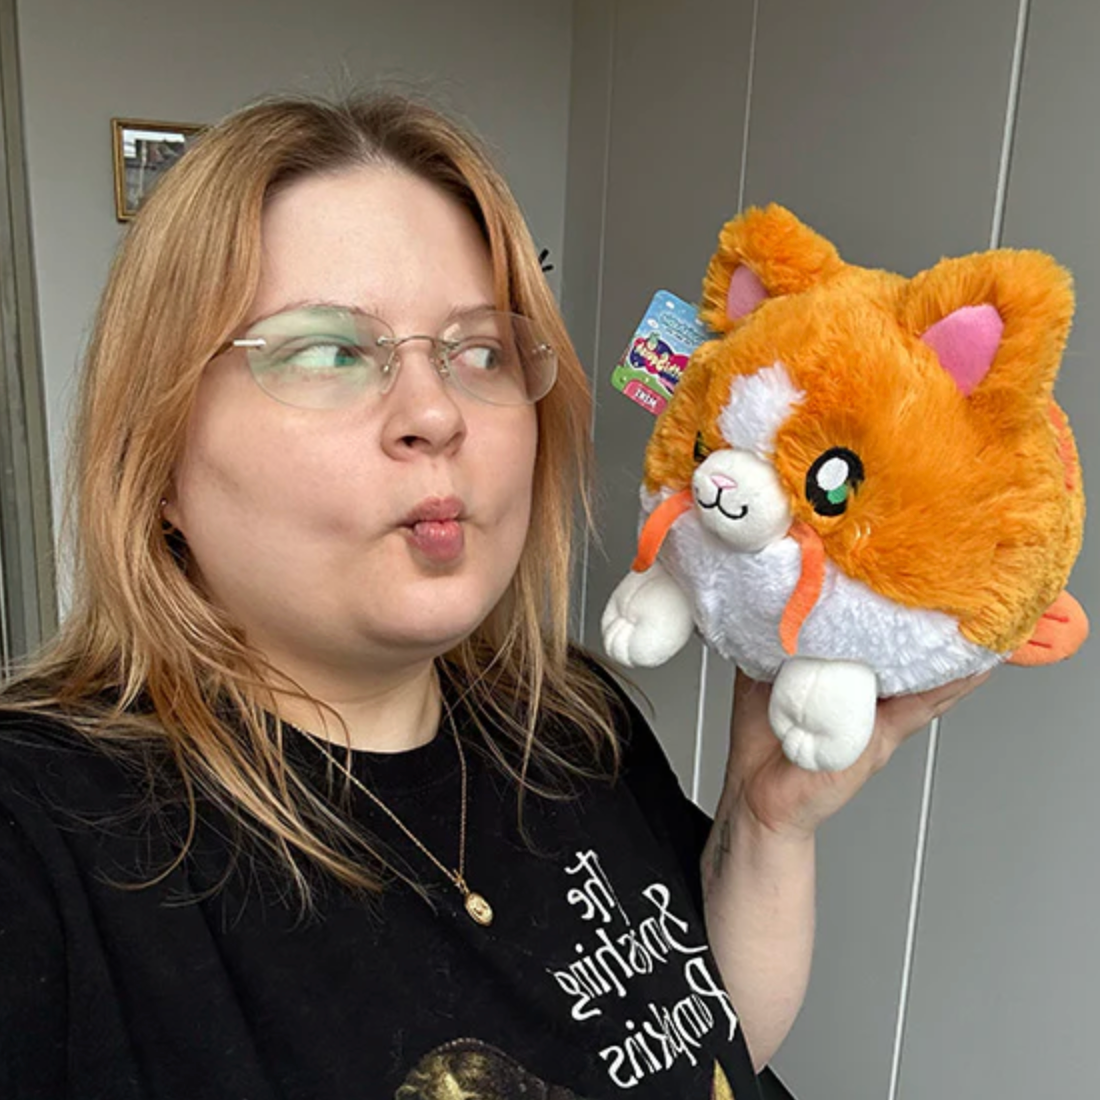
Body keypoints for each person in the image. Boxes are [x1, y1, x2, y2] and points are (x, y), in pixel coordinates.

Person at [0, 91, 985, 1100]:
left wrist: (770, 823)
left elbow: (708, 1049)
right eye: (331, 350)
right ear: (156, 454)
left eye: (480, 351)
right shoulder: (41, 835)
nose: (436, 411)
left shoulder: (567, 717)